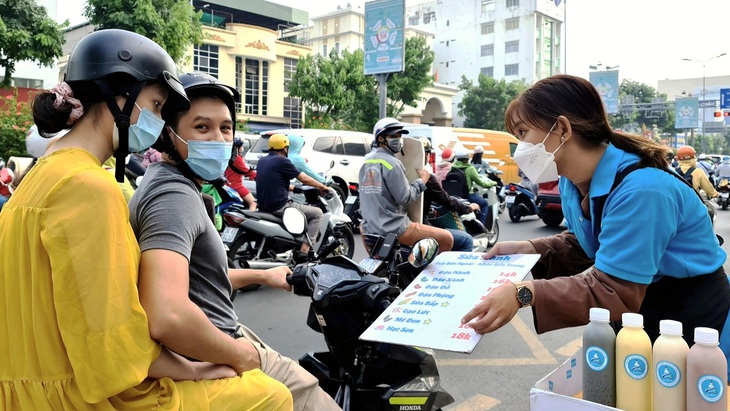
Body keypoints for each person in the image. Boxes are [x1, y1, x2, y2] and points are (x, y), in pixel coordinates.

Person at [0, 29, 292, 410]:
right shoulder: (90, 187)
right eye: (155, 105)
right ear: (117, 97)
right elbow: (116, 345)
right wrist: (212, 366)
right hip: (81, 396)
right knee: (272, 395)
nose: (157, 122)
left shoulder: (41, 175)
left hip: (24, 388)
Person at [461, 75, 730, 377]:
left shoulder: (642, 190)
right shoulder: (570, 183)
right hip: (640, 322)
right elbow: (590, 242)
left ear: (562, 129)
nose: (519, 147)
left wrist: (523, 293)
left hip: (695, 323)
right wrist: (531, 248)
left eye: (523, 133)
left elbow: (613, 290)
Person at [129, 72, 335, 411]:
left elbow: (194, 281)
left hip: (219, 338)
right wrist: (238, 353)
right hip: (214, 349)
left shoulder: (165, 181)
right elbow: (167, 314)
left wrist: (262, 275)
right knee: (311, 395)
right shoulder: (173, 196)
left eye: (226, 128)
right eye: (201, 127)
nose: (218, 139)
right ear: (168, 134)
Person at [359, 117, 453, 252]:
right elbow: (405, 197)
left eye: (399, 136)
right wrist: (422, 181)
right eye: (393, 136)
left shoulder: (366, 162)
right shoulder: (392, 163)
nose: (398, 139)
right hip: (395, 228)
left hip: (369, 228)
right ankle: (426, 273)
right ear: (380, 138)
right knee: (447, 238)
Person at [256, 133, 330, 257]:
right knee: (317, 213)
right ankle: (304, 251)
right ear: (285, 148)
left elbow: (273, 181)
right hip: (279, 206)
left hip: (264, 205)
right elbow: (305, 179)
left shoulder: (262, 161)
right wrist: (322, 186)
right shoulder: (282, 161)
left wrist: (294, 188)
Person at [418, 137, 479, 252]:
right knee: (467, 240)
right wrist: (469, 208)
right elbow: (447, 200)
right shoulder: (426, 176)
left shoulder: (400, 173)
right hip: (419, 225)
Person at [451, 147, 497, 226]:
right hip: (468, 195)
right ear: (467, 158)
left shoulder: (452, 167)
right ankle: (481, 226)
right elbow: (481, 183)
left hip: (454, 196)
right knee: (484, 203)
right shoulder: (469, 168)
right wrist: (493, 183)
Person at [225, 137, 257, 210]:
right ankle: (250, 219)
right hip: (236, 186)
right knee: (253, 203)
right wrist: (257, 175)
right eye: (241, 146)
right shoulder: (237, 158)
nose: (242, 148)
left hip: (228, 185)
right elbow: (245, 171)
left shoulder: (228, 156)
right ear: (237, 147)